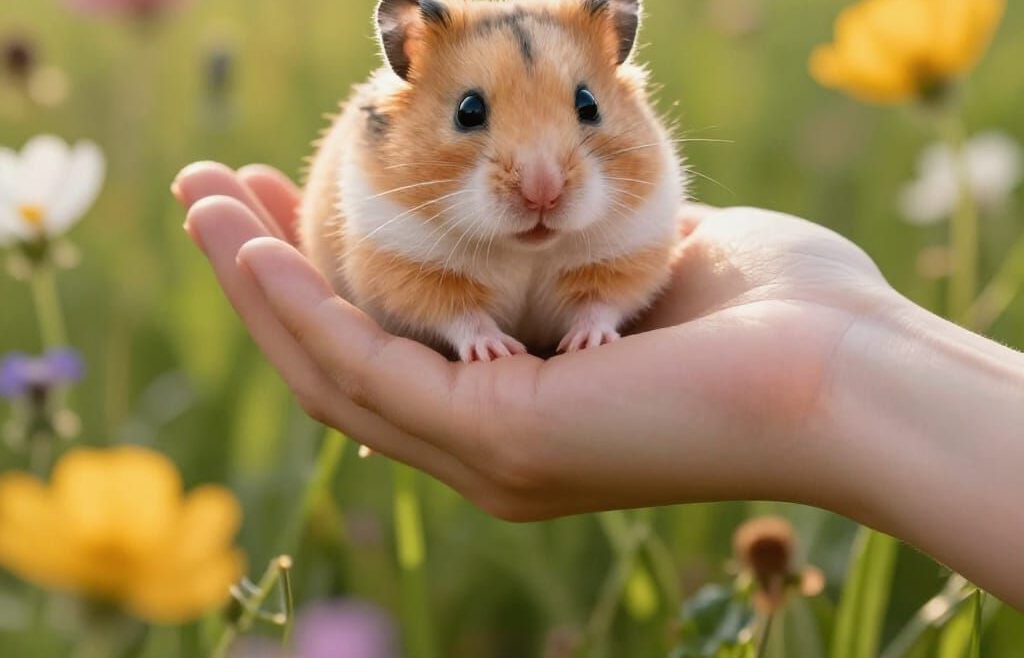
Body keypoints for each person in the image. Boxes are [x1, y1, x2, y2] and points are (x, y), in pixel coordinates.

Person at [173, 161, 1024, 609]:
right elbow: (387, 274)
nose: (542, 185)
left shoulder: (638, 183)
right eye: (472, 114)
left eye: (584, 109)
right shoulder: (381, 189)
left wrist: (606, 306)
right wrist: (463, 323)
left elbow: (644, 255)